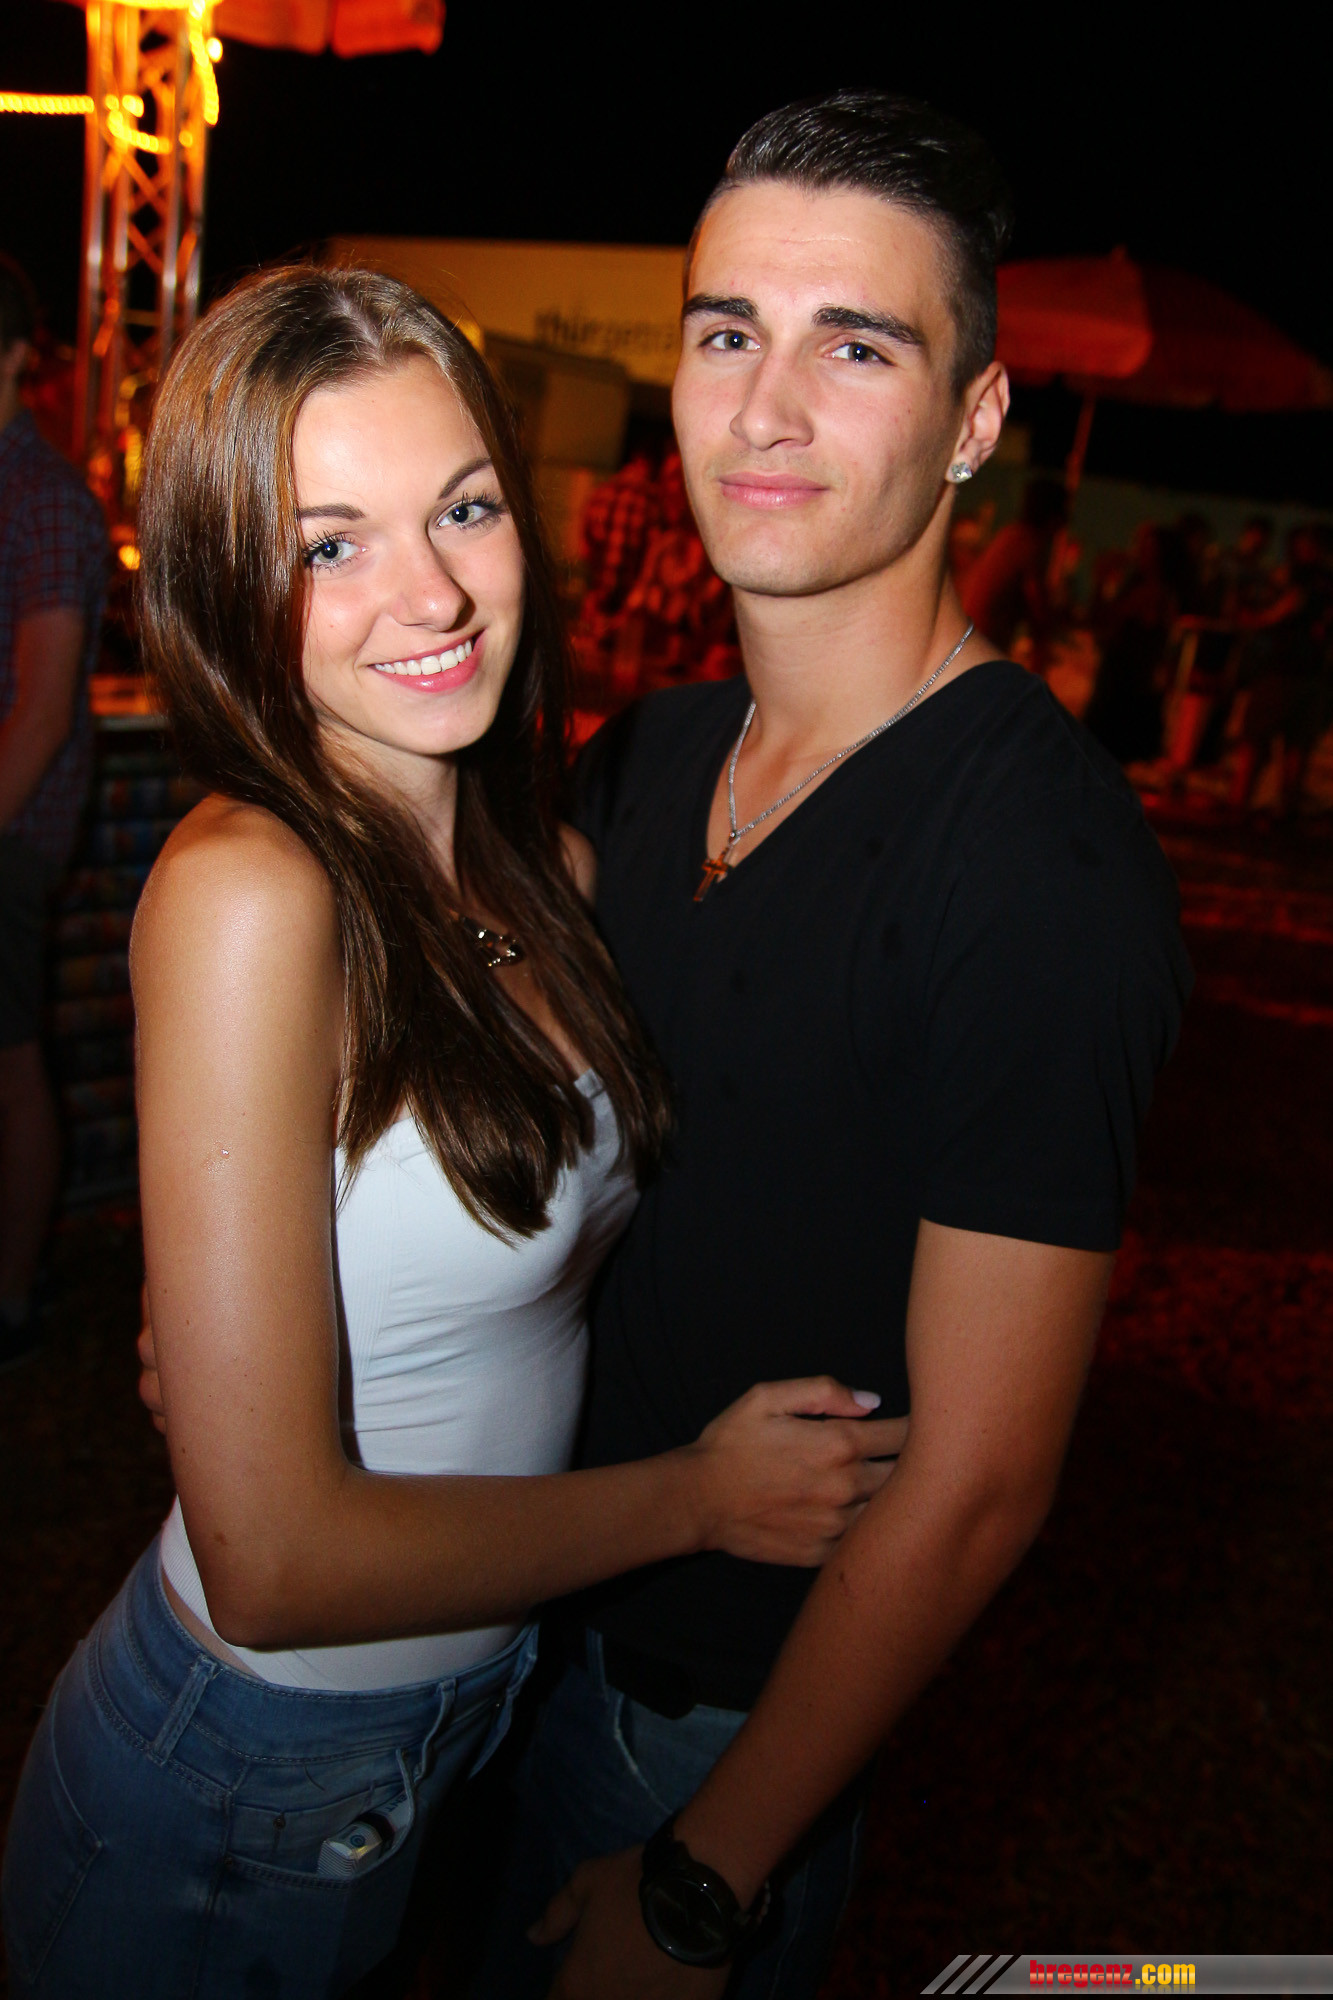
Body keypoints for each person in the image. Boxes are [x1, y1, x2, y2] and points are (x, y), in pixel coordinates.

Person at [0, 268, 902, 2000]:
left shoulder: (542, 865)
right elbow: (272, 1565)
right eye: (326, 544)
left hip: (447, 1732)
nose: (428, 592)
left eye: (464, 508)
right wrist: (696, 1501)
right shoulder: (253, 891)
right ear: (221, 581)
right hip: (233, 1787)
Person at [459, 92, 1190, 1998]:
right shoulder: (651, 758)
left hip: (700, 1733)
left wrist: (703, 1879)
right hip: (503, 1626)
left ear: (972, 420)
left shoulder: (1034, 870)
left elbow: (979, 1484)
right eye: (727, 333)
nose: (764, 410)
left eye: (852, 348)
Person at [0, 255, 108, 1371]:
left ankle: (14, 1290)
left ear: (16, 357)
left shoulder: (41, 497)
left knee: (10, 1059)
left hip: (9, 835)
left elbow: (39, 707)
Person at [958, 472, 1069, 668]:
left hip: (969, 638)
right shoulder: (1028, 544)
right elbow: (1037, 607)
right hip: (981, 645)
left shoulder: (1011, 535)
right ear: (1053, 516)